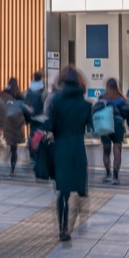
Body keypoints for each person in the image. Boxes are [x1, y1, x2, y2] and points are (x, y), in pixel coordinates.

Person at [48, 66, 92, 242]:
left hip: (61, 150)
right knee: (80, 189)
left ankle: (63, 229)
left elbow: (49, 126)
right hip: (78, 150)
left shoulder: (56, 101)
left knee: (63, 192)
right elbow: (90, 127)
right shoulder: (85, 104)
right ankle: (80, 218)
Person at [92, 78, 129, 185]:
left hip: (105, 126)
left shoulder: (102, 98)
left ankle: (108, 174)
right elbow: (128, 114)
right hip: (118, 127)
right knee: (117, 150)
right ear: (116, 87)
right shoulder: (121, 99)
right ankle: (115, 176)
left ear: (107, 87)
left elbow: (96, 110)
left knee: (106, 151)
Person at [24, 71, 50, 181]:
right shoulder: (43, 92)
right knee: (41, 140)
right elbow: (47, 106)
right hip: (41, 119)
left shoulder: (27, 91)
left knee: (32, 136)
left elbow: (24, 104)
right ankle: (40, 163)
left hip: (31, 119)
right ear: (41, 79)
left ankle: (32, 157)